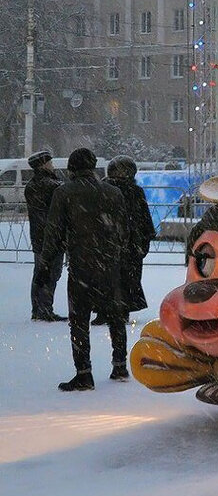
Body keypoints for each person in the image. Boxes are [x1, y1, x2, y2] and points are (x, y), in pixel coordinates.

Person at [41, 147, 130, 391]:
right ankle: (120, 365)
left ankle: (84, 373)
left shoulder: (64, 193)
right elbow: (123, 230)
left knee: (79, 321)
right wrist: (114, 254)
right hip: (109, 265)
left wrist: (45, 265)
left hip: (81, 266)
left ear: (71, 169)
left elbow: (54, 232)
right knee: (115, 317)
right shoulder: (113, 192)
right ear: (93, 166)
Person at [98, 156, 154, 326]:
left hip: (110, 241)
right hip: (130, 243)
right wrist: (143, 240)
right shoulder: (133, 191)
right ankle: (122, 310)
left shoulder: (104, 189)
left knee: (107, 277)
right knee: (128, 278)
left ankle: (105, 310)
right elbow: (144, 219)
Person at [25, 150, 67, 321]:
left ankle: (38, 308)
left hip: (39, 236)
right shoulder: (51, 185)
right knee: (51, 273)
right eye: (50, 162)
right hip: (52, 237)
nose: (52, 165)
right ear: (43, 165)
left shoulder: (32, 185)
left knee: (40, 273)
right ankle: (45, 309)